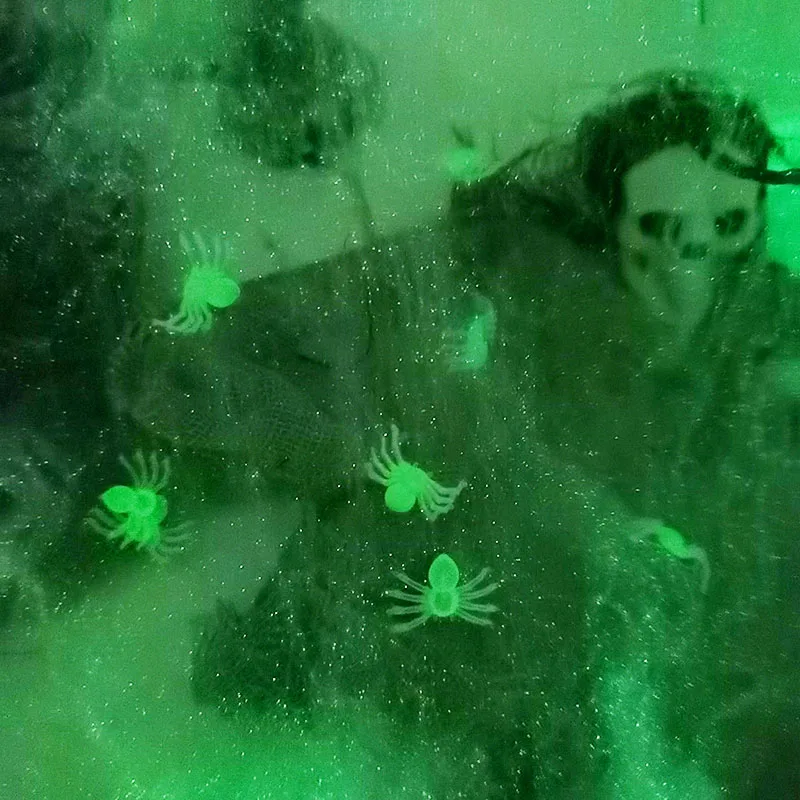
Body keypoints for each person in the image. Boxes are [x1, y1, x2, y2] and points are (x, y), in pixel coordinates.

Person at [115, 70, 800, 797]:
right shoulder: (496, 271)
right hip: (464, 664)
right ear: (610, 218)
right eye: (660, 229)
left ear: (756, 221)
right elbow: (196, 363)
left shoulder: (769, 344)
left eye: (726, 226)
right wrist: (404, 428)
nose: (688, 263)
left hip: (665, 696)